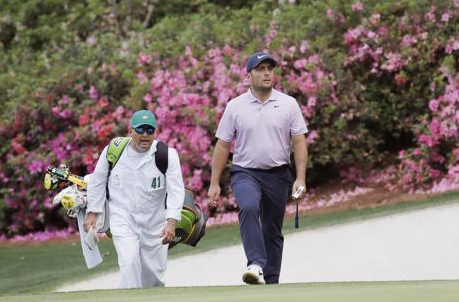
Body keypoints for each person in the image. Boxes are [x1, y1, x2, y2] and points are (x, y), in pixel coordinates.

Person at [208, 51, 309, 285]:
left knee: (273, 230)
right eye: (260, 69)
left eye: (269, 69)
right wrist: (214, 183)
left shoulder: (288, 104)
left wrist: (300, 178)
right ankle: (254, 262)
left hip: (279, 174)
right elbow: (223, 145)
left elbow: (299, 141)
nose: (266, 73)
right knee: (249, 207)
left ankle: (271, 281)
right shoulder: (235, 107)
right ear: (249, 75)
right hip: (246, 172)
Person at [83, 109, 185, 288]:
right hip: (122, 218)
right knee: (129, 262)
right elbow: (97, 181)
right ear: (130, 131)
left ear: (156, 132)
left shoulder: (167, 155)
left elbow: (176, 191)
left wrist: (171, 222)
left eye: (149, 130)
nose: (145, 135)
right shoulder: (113, 152)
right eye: (140, 130)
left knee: (153, 277)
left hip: (155, 223)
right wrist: (92, 213)